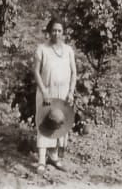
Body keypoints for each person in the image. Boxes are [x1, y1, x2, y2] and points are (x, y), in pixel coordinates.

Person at [32, 17, 77, 172]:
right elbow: (36, 72)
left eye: (59, 31)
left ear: (63, 33)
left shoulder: (68, 50)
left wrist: (71, 92)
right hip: (47, 92)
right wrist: (44, 91)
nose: (56, 33)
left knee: (59, 122)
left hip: (63, 93)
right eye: (54, 30)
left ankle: (54, 157)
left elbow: (74, 73)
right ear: (49, 32)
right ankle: (41, 160)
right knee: (45, 123)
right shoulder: (42, 49)